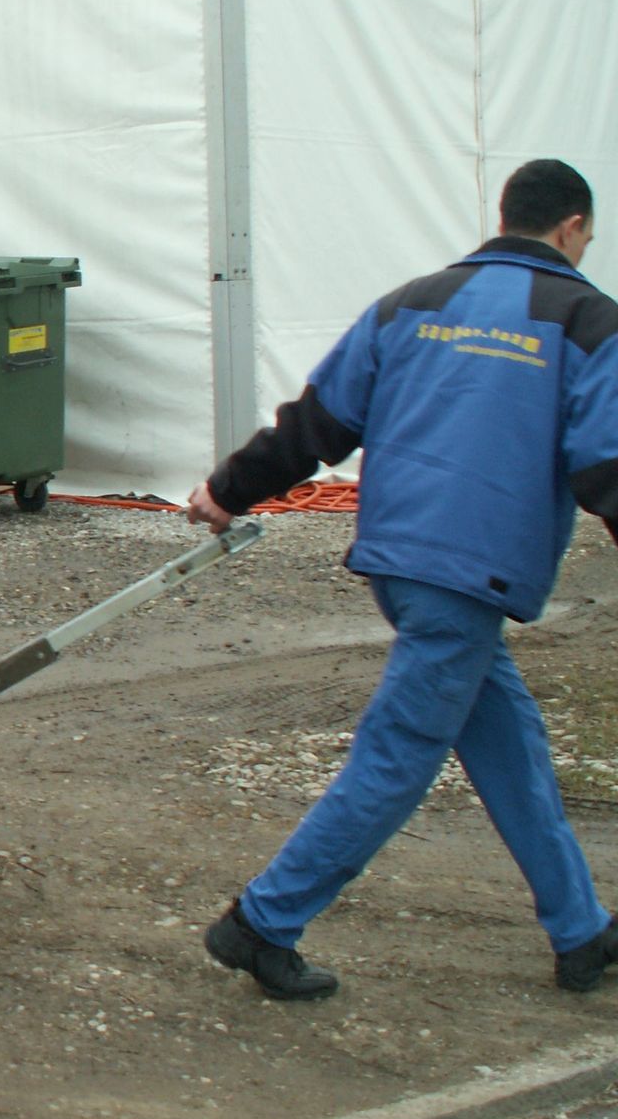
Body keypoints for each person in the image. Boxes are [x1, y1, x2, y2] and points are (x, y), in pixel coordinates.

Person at [186, 159, 618, 1000]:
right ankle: (261, 923)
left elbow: (317, 424)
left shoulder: (413, 301)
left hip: (400, 562)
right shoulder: (589, 320)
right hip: (471, 573)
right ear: (571, 228)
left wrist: (226, 490)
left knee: (510, 745)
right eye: (589, 238)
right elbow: (605, 466)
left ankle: (581, 930)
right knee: (397, 758)